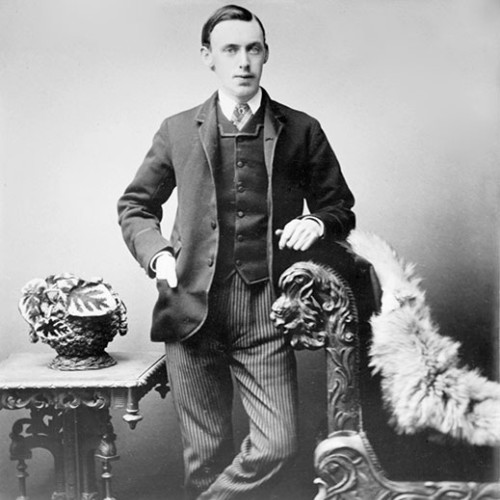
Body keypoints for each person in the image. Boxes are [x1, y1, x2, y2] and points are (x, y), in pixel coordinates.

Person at [117, 5, 355, 499]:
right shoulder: (178, 129)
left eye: (253, 48)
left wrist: (315, 221)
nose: (243, 61)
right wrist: (158, 253)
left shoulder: (301, 129)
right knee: (204, 457)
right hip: (190, 308)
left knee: (277, 442)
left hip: (266, 310)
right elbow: (136, 206)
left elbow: (339, 206)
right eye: (230, 50)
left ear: (265, 54)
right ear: (208, 57)